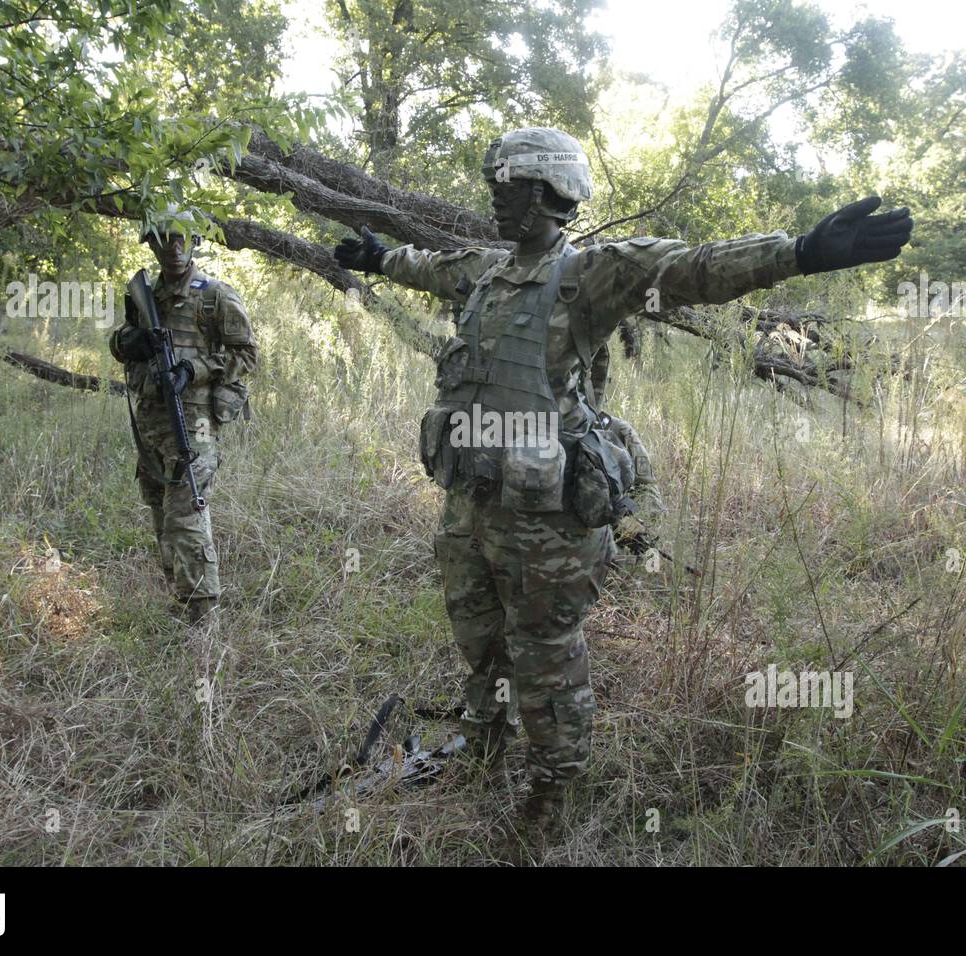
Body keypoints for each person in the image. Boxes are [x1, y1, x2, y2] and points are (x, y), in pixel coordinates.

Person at [334, 127, 912, 834]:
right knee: (479, 641)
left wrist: (800, 252)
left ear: (548, 193)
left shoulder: (590, 274)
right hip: (471, 505)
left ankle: (549, 800)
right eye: (494, 188)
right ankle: (482, 744)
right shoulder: (485, 272)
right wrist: (380, 258)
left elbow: (694, 267)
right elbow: (429, 266)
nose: (495, 201)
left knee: (546, 660)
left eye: (506, 189)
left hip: (545, 520)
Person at [109, 207, 258, 625]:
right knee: (160, 513)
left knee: (187, 515)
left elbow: (246, 353)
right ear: (151, 244)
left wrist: (194, 370)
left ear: (195, 243)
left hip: (194, 425)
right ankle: (182, 599)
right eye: (164, 239)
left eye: (182, 239)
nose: (174, 247)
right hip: (152, 423)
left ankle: (202, 619)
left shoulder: (216, 295)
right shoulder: (143, 296)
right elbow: (120, 345)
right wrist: (129, 341)